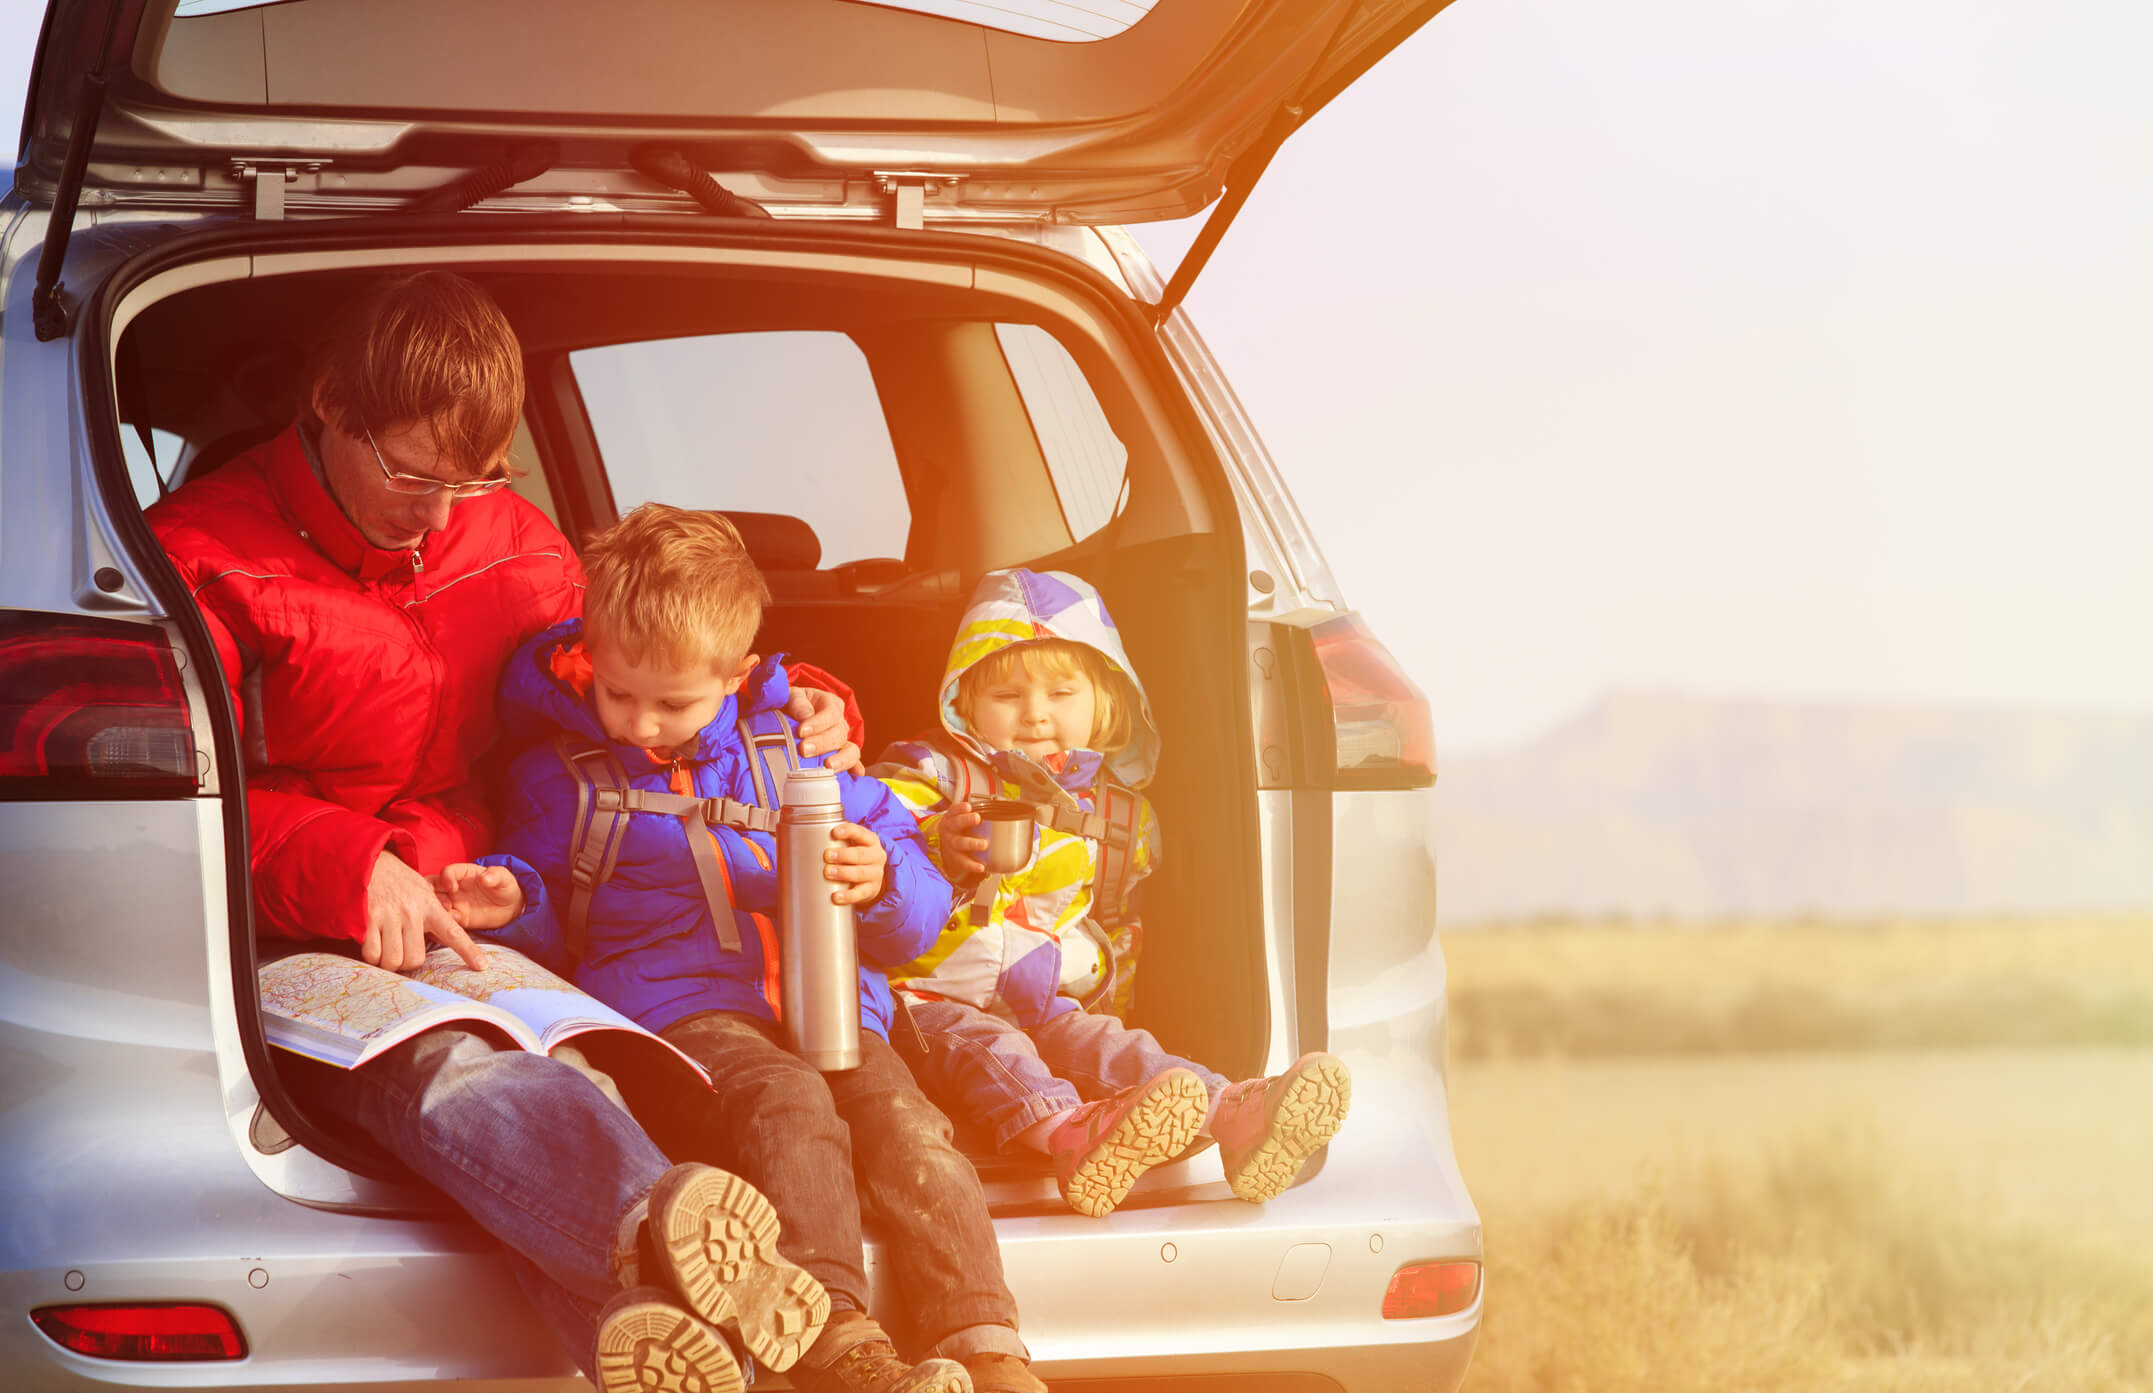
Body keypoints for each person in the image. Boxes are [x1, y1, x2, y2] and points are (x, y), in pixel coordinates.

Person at [147, 270, 868, 1392]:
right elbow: (169, 800)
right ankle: (654, 1226)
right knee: (454, 1075)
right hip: (291, 923)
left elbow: (647, 680)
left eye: (474, 477)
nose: (442, 512)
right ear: (330, 402)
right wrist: (354, 863)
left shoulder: (521, 546)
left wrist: (804, 700)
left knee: (586, 1078)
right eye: (413, 472)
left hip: (478, 905)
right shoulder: (195, 555)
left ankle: (649, 1301)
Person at [433, 504, 1047, 1393]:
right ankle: (836, 1337)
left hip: (835, 1007)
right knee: (788, 1100)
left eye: (672, 701)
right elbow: (550, 918)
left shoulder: (803, 750)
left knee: (915, 1133)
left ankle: (984, 1343)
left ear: (738, 676)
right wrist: (512, 896)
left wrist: (878, 881)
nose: (641, 723)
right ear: (586, 663)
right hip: (679, 1018)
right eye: (618, 693)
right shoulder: (563, 776)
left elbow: (915, 925)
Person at [869, 568, 1354, 1217]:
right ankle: (1071, 1134)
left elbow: (1117, 922)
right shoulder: (933, 771)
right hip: (927, 1004)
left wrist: (1110, 994)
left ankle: (1233, 1112)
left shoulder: (1115, 815)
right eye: (1007, 693)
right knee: (994, 1050)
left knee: (1111, 1044)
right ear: (965, 701)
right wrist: (937, 840)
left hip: (1045, 1000)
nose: (1035, 711)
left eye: (1061, 691)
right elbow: (876, 828)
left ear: (1104, 701)